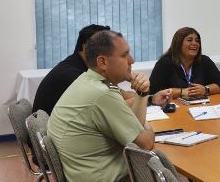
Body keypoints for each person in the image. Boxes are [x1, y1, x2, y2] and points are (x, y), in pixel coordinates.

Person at [47, 30, 163, 182]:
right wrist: (148, 125)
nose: (132, 60)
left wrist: (143, 94)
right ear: (102, 62)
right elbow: (145, 142)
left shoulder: (88, 80)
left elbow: (135, 128)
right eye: (125, 55)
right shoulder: (101, 94)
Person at [33, 24, 171, 116]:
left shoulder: (89, 69)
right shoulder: (74, 75)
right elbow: (115, 106)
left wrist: (150, 97)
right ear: (87, 47)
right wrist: (147, 99)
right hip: (56, 148)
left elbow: (120, 94)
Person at [149, 27, 220, 98]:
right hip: (174, 109)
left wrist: (206, 90)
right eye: (189, 40)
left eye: (197, 41)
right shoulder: (165, 62)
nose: (195, 43)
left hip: (201, 107)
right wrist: (181, 92)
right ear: (178, 43)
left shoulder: (204, 61)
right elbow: (153, 91)